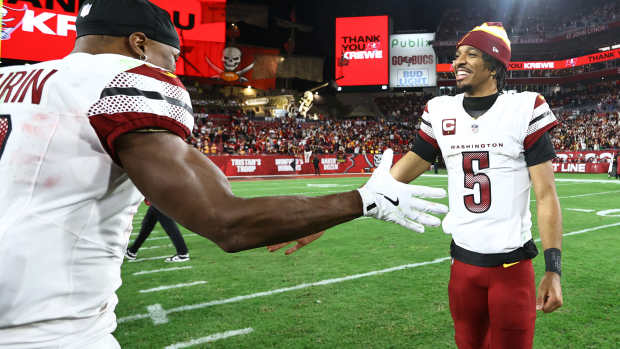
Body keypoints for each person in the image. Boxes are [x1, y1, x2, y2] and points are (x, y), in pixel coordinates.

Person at [0, 1, 447, 347]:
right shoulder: (125, 80)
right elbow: (226, 223)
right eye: (170, 54)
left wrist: (304, 212)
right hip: (46, 328)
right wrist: (363, 200)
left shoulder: (13, 80)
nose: (173, 66)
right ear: (139, 44)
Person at [390, 23, 563, 348]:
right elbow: (401, 171)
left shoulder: (524, 108)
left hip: (512, 269)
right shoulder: (441, 111)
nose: (459, 62)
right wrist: (333, 211)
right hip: (463, 268)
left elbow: (546, 194)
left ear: (495, 65)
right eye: (457, 55)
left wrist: (553, 269)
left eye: (471, 54)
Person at [125, 201, 190, 262]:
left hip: (161, 197)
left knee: (168, 224)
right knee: (148, 223)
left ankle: (183, 253)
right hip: (159, 197)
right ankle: (132, 251)